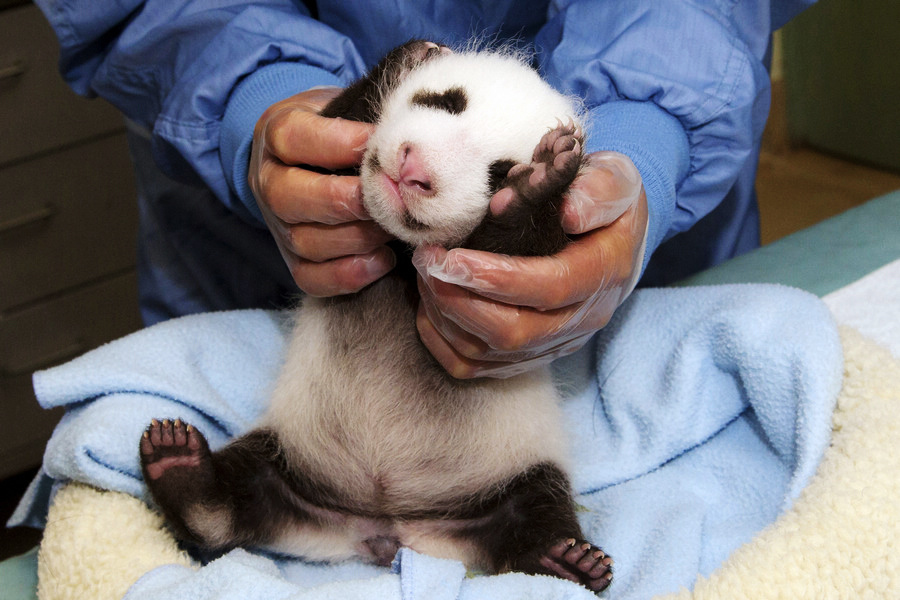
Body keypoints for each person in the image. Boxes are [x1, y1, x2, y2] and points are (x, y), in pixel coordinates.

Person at [35, 0, 816, 378]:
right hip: (248, 271)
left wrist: (645, 137)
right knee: (275, 454)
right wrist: (251, 92)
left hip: (651, 263)